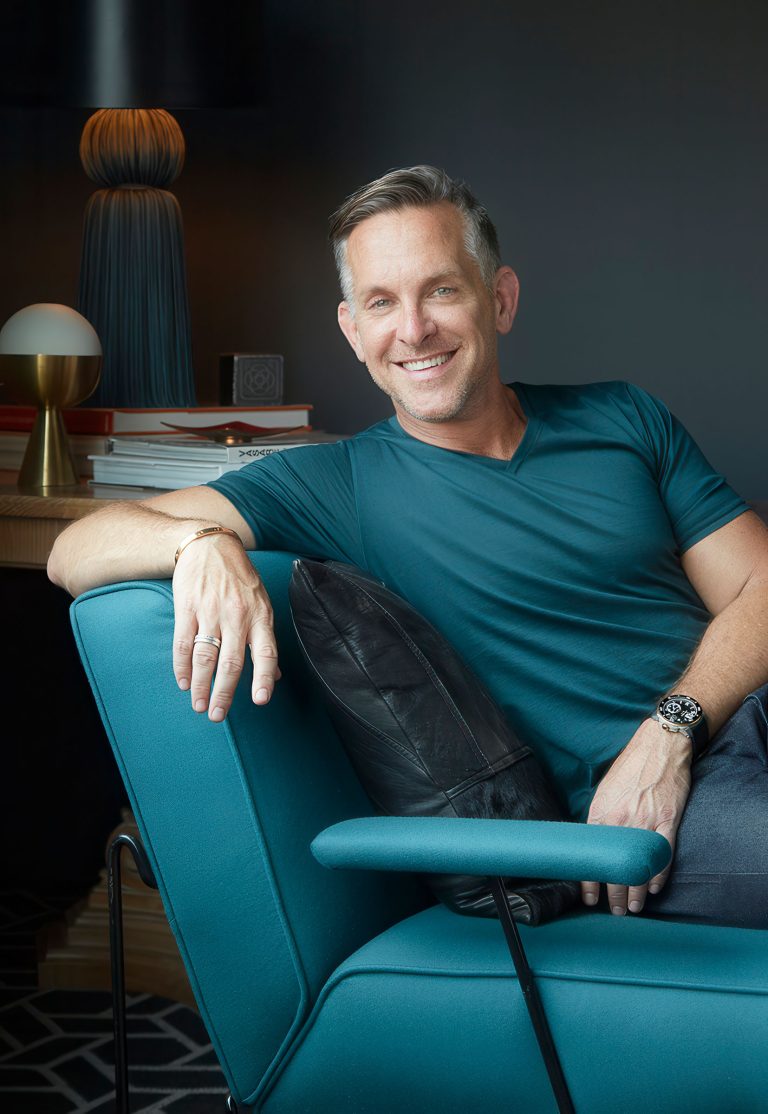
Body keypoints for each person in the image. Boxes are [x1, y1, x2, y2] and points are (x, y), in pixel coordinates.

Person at [48, 165, 768, 927]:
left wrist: (672, 730)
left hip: (712, 726)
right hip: (661, 821)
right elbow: (76, 547)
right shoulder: (339, 485)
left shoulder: (623, 417)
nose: (414, 329)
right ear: (352, 331)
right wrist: (201, 542)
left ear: (501, 300)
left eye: (442, 290)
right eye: (381, 303)